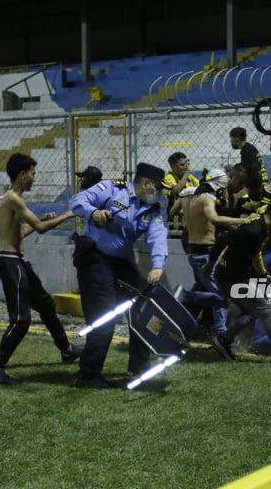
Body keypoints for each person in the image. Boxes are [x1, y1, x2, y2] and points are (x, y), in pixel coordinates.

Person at [69, 162, 169, 389]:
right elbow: (77, 200)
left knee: (145, 306)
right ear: (145, 183)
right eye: (157, 187)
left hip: (121, 261)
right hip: (95, 258)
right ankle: (89, 376)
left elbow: (157, 236)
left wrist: (157, 265)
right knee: (104, 316)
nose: (159, 192)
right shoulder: (112, 189)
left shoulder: (152, 208)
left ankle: (139, 366)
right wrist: (94, 212)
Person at [0, 154, 82, 385]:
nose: (34, 178)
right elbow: (39, 228)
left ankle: (66, 350)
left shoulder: (9, 198)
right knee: (21, 320)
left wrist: (42, 218)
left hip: (17, 261)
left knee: (46, 305)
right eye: (32, 174)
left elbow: (20, 233)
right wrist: (68, 214)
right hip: (11, 262)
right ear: (22, 175)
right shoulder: (13, 199)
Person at [204, 200, 271, 365]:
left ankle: (224, 339)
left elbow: (256, 254)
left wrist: (263, 274)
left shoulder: (259, 226)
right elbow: (224, 238)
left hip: (230, 278)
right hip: (231, 280)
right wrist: (210, 263)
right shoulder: (253, 231)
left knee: (252, 312)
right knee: (267, 312)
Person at [174, 169, 248, 338]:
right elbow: (214, 219)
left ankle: (186, 324)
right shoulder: (207, 198)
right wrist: (243, 220)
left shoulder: (189, 195)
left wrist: (194, 217)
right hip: (205, 253)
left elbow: (173, 212)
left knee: (207, 288)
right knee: (219, 295)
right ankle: (219, 330)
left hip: (193, 250)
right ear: (219, 188)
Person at [233, 171, 271, 269]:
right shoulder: (242, 202)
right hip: (255, 240)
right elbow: (235, 220)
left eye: (256, 187)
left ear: (261, 186)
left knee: (262, 265)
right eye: (249, 188)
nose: (252, 191)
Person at [161, 152, 199, 227]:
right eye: (182, 165)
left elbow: (201, 187)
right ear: (173, 166)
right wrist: (186, 174)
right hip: (175, 221)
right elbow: (176, 191)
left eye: (187, 164)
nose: (186, 167)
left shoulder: (190, 177)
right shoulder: (168, 178)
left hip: (189, 217)